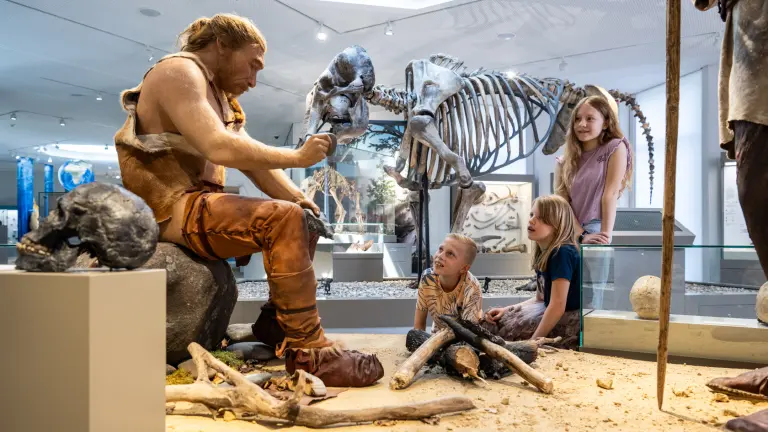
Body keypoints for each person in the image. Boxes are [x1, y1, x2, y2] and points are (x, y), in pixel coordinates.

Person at [113, 13, 383, 387]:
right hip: (170, 209)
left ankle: (278, 325)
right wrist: (297, 157)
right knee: (281, 218)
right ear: (221, 46)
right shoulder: (177, 72)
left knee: (300, 216)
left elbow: (251, 161)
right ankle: (309, 352)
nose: (254, 81)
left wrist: (300, 199)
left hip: (198, 203)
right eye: (252, 64)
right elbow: (219, 147)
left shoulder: (221, 98)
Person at [553, 94, 633, 309]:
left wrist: (604, 236)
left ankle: (585, 341)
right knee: (562, 295)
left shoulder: (616, 147)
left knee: (591, 295)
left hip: (596, 228)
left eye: (590, 118)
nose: (582, 124)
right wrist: (579, 234)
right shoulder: (564, 160)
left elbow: (610, 194)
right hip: (568, 231)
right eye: (578, 119)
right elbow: (562, 202)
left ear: (605, 122)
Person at [483, 195, 581, 349]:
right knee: (494, 322)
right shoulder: (545, 252)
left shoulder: (562, 253)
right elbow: (540, 298)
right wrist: (507, 310)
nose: (531, 220)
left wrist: (533, 342)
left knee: (500, 332)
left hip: (569, 318)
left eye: (541, 218)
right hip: (549, 309)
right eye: (531, 215)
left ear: (558, 224)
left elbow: (557, 305)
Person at [413, 233, 483, 333]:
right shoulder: (427, 278)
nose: (440, 256)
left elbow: (470, 334)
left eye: (450, 254)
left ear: (464, 268)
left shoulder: (472, 288)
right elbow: (419, 325)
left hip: (463, 340)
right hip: (437, 336)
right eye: (441, 249)